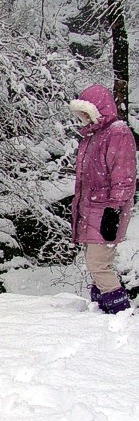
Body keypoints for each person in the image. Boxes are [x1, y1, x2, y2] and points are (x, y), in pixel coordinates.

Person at [70, 83, 137, 313]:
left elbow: (123, 175)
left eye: (86, 113)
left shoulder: (117, 132)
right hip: (93, 210)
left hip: (106, 210)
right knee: (97, 263)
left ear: (98, 109)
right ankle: (102, 308)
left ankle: (119, 310)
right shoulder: (92, 136)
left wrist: (114, 209)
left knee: (98, 263)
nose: (82, 118)